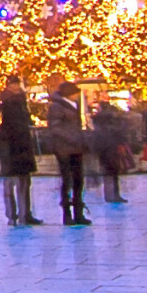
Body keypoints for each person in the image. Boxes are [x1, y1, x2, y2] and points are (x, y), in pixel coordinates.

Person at [0, 76, 42, 226]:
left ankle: (17, 215)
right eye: (13, 84)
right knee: (19, 183)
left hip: (11, 148)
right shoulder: (13, 104)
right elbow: (18, 126)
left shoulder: (9, 102)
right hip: (16, 147)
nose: (16, 87)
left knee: (16, 183)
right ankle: (21, 215)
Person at [47, 82, 90, 226]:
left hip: (76, 147)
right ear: (70, 94)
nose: (78, 96)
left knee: (79, 179)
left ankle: (78, 212)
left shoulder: (72, 105)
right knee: (67, 180)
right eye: (76, 93)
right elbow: (55, 128)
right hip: (64, 149)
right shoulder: (57, 107)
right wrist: (73, 138)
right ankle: (67, 214)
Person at [93, 100, 130, 205]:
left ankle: (110, 194)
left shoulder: (98, 122)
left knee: (108, 171)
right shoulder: (113, 121)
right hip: (112, 147)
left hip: (104, 148)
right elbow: (120, 132)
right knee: (114, 171)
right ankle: (115, 194)